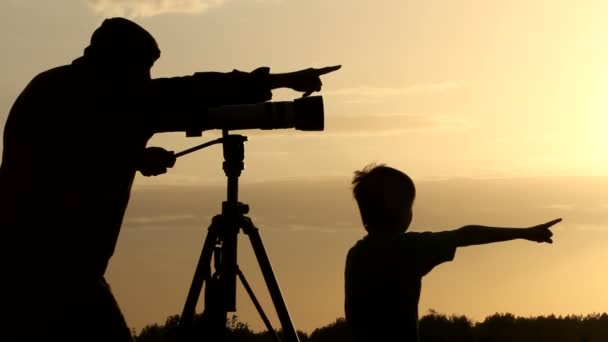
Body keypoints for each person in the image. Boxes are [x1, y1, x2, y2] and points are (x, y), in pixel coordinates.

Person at [0, 17, 340, 341]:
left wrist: (276, 81)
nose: (149, 80)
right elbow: (58, 159)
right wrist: (132, 158)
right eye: (144, 69)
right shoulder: (70, 97)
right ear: (118, 64)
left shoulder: (70, 88)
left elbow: (192, 89)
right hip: (48, 268)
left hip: (52, 268)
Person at [344, 164, 561, 342]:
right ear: (400, 210)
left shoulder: (356, 255)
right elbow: (467, 235)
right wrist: (524, 232)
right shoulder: (409, 248)